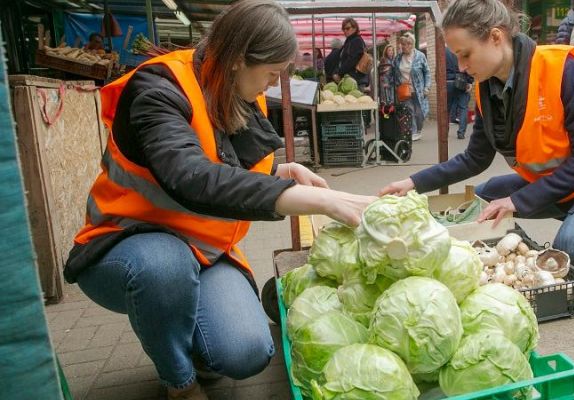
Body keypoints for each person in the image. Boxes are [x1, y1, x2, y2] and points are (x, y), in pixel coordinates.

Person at [64, 1, 375, 399]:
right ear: (239, 59)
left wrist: (280, 173)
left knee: (246, 353)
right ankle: (179, 381)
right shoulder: (158, 89)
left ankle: (185, 338)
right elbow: (191, 177)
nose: (271, 84)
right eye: (271, 73)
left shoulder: (239, 88)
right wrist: (318, 202)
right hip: (125, 244)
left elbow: (227, 167)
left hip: (204, 252)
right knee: (164, 268)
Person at [380, 0, 574, 313]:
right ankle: (518, 256)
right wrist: (412, 182)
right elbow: (474, 159)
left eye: (465, 53)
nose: (461, 65)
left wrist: (517, 202)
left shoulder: (563, 69)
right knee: (480, 201)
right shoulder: (485, 88)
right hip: (562, 182)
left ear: (496, 37)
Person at [393, 33, 431, 141]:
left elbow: (427, 72)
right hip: (404, 90)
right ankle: (413, 132)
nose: (404, 46)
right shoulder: (398, 58)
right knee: (409, 111)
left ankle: (419, 129)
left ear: (412, 44)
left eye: (407, 44)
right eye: (403, 44)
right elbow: (395, 74)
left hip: (419, 90)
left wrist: (427, 87)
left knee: (420, 112)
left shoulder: (420, 56)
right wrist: (396, 86)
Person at [445, 47, 473, 139]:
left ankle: (444, 132)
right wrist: (470, 81)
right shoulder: (461, 47)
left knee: (446, 109)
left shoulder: (443, 50)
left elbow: (438, 69)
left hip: (448, 82)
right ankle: (461, 133)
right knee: (463, 107)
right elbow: (468, 65)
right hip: (462, 81)